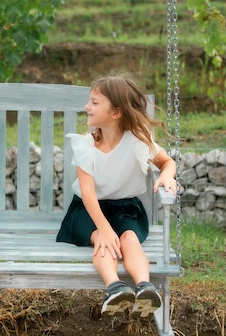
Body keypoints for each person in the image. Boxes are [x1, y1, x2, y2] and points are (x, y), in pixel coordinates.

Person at [56, 75, 177, 318]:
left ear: (116, 112)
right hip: (87, 210)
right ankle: (115, 287)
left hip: (126, 208)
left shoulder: (138, 142)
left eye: (94, 102)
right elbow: (87, 192)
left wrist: (167, 175)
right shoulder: (86, 146)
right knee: (104, 240)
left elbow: (167, 161)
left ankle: (145, 287)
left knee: (129, 239)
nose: (86, 107)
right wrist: (103, 227)